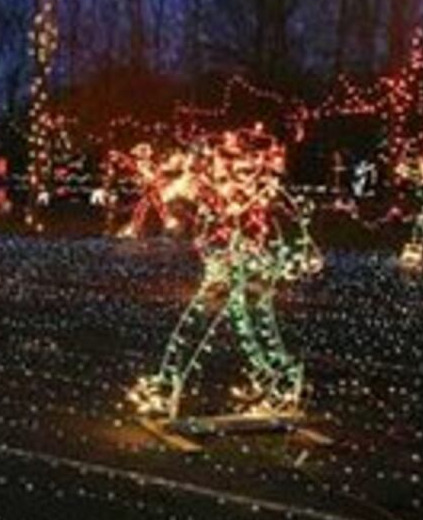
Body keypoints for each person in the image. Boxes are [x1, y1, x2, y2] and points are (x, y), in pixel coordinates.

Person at [129, 129, 323, 419]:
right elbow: (175, 194)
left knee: (200, 319)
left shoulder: (261, 189)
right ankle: (276, 381)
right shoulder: (215, 182)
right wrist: (152, 172)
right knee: (254, 324)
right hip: (233, 258)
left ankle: (168, 385)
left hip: (246, 260)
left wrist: (298, 252)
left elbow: (287, 220)